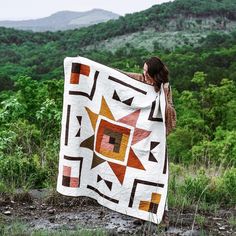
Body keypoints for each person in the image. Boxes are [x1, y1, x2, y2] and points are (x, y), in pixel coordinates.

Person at [118, 56, 176, 229]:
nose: (143, 73)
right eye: (143, 70)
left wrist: (163, 100)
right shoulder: (140, 81)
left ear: (154, 74)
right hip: (138, 137)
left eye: (146, 71)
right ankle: (142, 214)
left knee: (157, 176)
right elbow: (122, 77)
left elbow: (170, 114)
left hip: (155, 140)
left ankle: (162, 216)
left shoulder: (165, 88)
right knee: (139, 175)